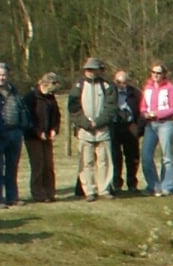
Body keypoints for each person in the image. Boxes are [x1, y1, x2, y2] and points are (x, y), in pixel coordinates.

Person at [67, 56, 113, 202]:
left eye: (94, 69)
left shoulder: (107, 86)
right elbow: (73, 109)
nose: (91, 72)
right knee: (86, 161)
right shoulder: (78, 86)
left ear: (99, 70)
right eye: (88, 69)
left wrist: (98, 123)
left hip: (102, 130)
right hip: (84, 130)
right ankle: (89, 190)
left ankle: (104, 189)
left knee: (104, 160)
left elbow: (110, 108)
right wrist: (86, 124)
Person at [0, 61, 31, 207]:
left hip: (15, 132)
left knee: (12, 166)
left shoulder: (14, 91)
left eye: (4, 75)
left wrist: (22, 127)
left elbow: (22, 109)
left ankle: (12, 196)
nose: (1, 78)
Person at [140, 61, 173, 195]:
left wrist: (157, 114)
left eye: (159, 73)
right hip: (150, 125)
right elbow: (143, 106)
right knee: (146, 156)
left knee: (166, 156)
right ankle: (153, 185)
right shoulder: (148, 87)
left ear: (163, 74)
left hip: (166, 124)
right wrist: (145, 113)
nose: (156, 75)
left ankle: (166, 186)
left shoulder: (170, 88)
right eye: (153, 72)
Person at [25, 73, 61, 202]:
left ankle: (50, 192)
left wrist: (54, 129)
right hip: (33, 137)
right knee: (38, 165)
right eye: (54, 84)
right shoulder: (31, 97)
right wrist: (38, 132)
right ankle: (38, 193)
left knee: (48, 165)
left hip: (47, 136)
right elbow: (28, 118)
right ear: (46, 83)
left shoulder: (51, 98)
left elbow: (57, 115)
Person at [109, 68, 142, 195]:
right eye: (118, 82)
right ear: (114, 81)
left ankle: (132, 184)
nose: (122, 85)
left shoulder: (135, 93)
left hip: (131, 126)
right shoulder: (110, 92)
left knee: (132, 157)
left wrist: (139, 127)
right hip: (115, 125)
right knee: (115, 157)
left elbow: (141, 110)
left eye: (124, 82)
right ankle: (117, 184)